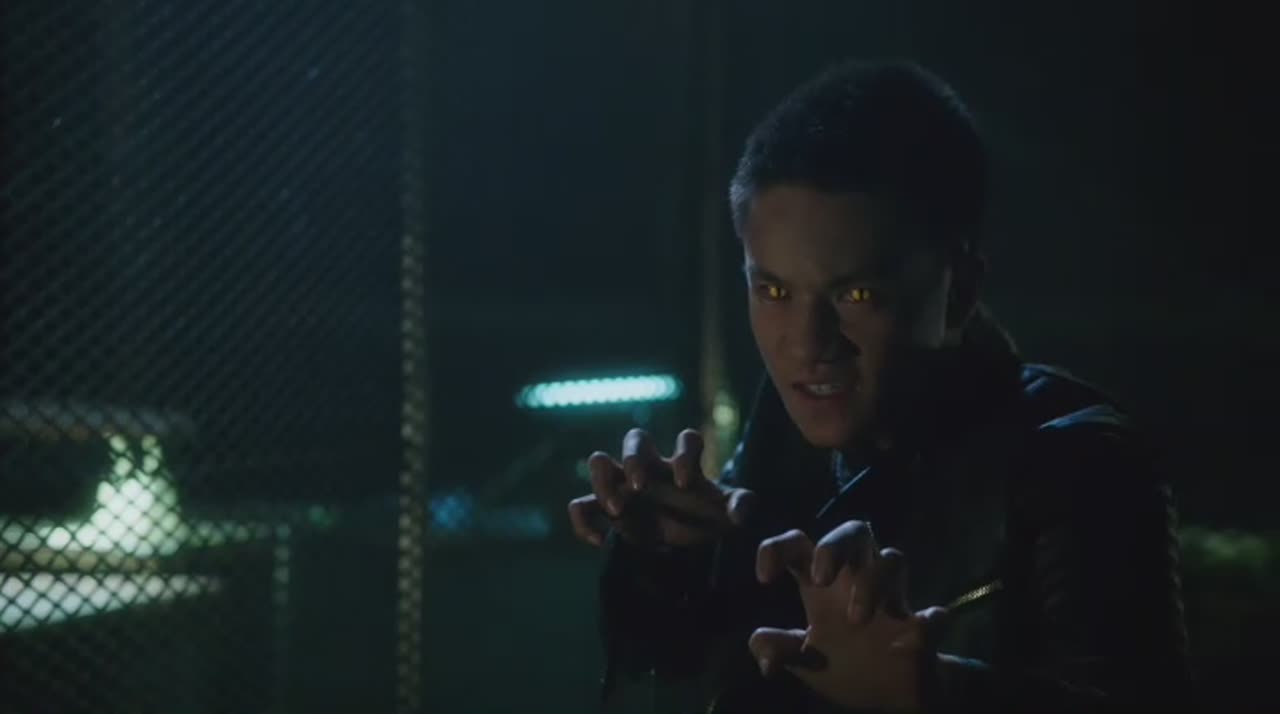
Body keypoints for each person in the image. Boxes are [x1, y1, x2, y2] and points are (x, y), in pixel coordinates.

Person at [567, 59, 1192, 713]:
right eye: (773, 291)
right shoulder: (789, 433)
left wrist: (934, 694)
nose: (807, 344)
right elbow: (675, 662)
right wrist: (666, 559)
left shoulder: (1077, 463)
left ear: (958, 293)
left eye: (857, 294)